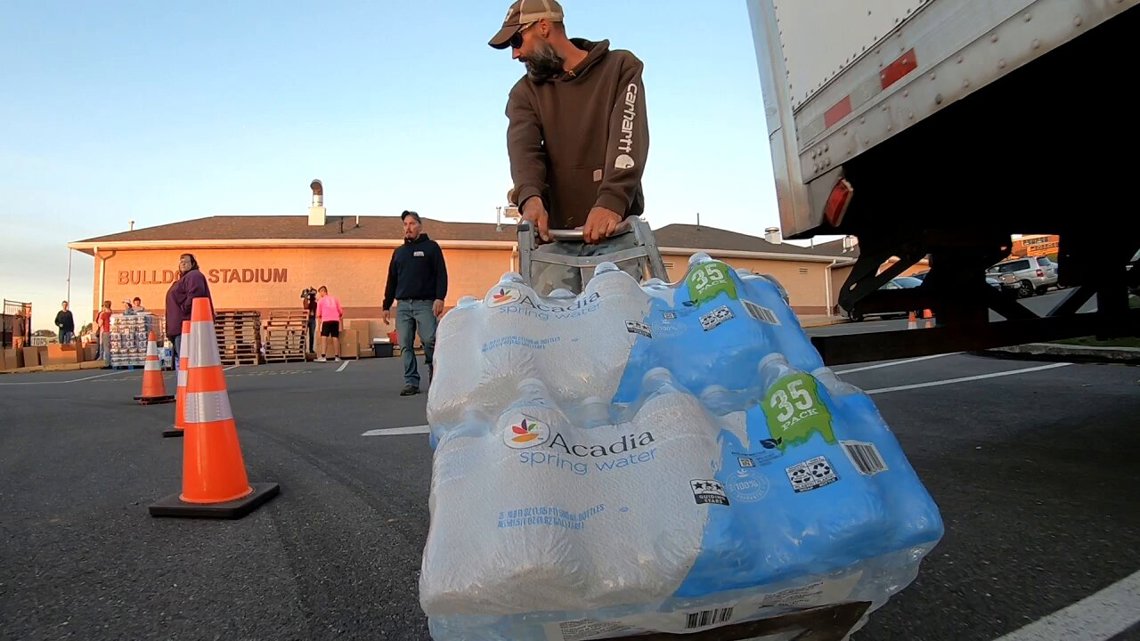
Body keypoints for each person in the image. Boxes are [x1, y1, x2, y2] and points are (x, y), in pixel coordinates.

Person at [489, 0, 650, 294]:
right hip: (554, 240)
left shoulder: (620, 68)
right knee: (552, 333)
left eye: (516, 40)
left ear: (543, 27)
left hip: (613, 235)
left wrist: (612, 200)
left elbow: (627, 136)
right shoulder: (524, 93)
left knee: (618, 331)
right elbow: (524, 150)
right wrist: (530, 198)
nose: (515, 53)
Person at [383, 211, 448, 396]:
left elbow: (441, 274)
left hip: (425, 304)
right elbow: (392, 280)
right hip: (403, 306)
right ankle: (411, 381)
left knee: (430, 340)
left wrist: (439, 297)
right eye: (405, 224)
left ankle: (433, 372)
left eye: (412, 223)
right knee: (405, 344)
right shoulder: (399, 253)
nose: (408, 228)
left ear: (420, 226)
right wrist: (386, 305)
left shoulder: (431, 248)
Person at [164, 253, 213, 367]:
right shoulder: (183, 279)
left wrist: (184, 309)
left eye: (186, 261)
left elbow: (196, 295)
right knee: (183, 361)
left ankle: (188, 383)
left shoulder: (194, 276)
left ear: (193, 264)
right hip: (178, 327)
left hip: (186, 327)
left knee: (186, 361)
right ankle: (185, 383)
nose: (183, 264)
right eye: (181, 262)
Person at [315, 286, 343, 363]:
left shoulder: (321, 301)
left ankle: (323, 356)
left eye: (320, 292)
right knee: (335, 337)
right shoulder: (335, 299)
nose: (320, 294)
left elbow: (318, 314)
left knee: (324, 337)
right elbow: (340, 311)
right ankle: (337, 356)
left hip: (326, 320)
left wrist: (318, 328)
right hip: (335, 320)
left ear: (323, 291)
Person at [301, 287, 318, 353]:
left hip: (312, 319)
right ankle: (301, 349)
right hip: (305, 319)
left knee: (312, 335)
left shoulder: (315, 303)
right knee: (303, 334)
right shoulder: (306, 301)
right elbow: (306, 307)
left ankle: (311, 349)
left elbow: (315, 309)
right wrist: (306, 296)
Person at [96, 301, 113, 367]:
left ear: (105, 306)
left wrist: (99, 320)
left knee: (106, 348)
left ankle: (107, 363)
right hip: (112, 331)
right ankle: (111, 361)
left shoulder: (104, 314)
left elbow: (100, 324)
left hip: (105, 331)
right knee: (110, 347)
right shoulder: (111, 313)